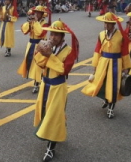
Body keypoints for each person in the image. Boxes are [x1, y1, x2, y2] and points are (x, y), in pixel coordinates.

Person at [33, 20, 78, 162]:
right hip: (45, 85)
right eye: (52, 34)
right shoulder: (46, 45)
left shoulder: (69, 51)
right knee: (46, 112)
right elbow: (39, 63)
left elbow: (64, 70)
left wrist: (49, 56)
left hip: (58, 87)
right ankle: (57, 130)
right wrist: (40, 52)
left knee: (53, 115)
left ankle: (50, 148)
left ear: (62, 36)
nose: (53, 37)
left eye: (57, 35)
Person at [82, 12, 131, 119]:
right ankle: (105, 99)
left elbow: (124, 52)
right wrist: (94, 68)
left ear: (114, 23)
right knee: (102, 84)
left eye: (109, 23)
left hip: (116, 63)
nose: (106, 25)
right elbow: (97, 51)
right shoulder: (101, 34)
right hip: (103, 62)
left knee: (113, 86)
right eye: (105, 23)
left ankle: (111, 108)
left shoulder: (121, 35)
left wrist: (126, 68)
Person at [17, 6, 48, 93]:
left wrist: (36, 22)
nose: (36, 14)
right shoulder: (33, 22)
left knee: (38, 65)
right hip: (31, 44)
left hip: (40, 45)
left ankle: (36, 83)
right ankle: (37, 81)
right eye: (35, 12)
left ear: (42, 14)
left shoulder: (44, 24)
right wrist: (29, 22)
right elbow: (24, 30)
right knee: (30, 64)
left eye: (38, 13)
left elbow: (40, 33)